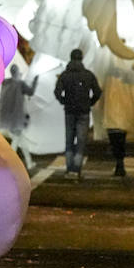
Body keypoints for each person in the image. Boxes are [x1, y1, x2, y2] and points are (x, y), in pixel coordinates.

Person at [54, 49, 102, 178]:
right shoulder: (88, 75)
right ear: (81, 59)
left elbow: (57, 92)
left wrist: (64, 101)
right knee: (81, 141)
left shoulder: (64, 75)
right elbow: (97, 92)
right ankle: (77, 168)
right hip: (84, 111)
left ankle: (69, 168)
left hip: (69, 111)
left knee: (69, 139)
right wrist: (90, 102)